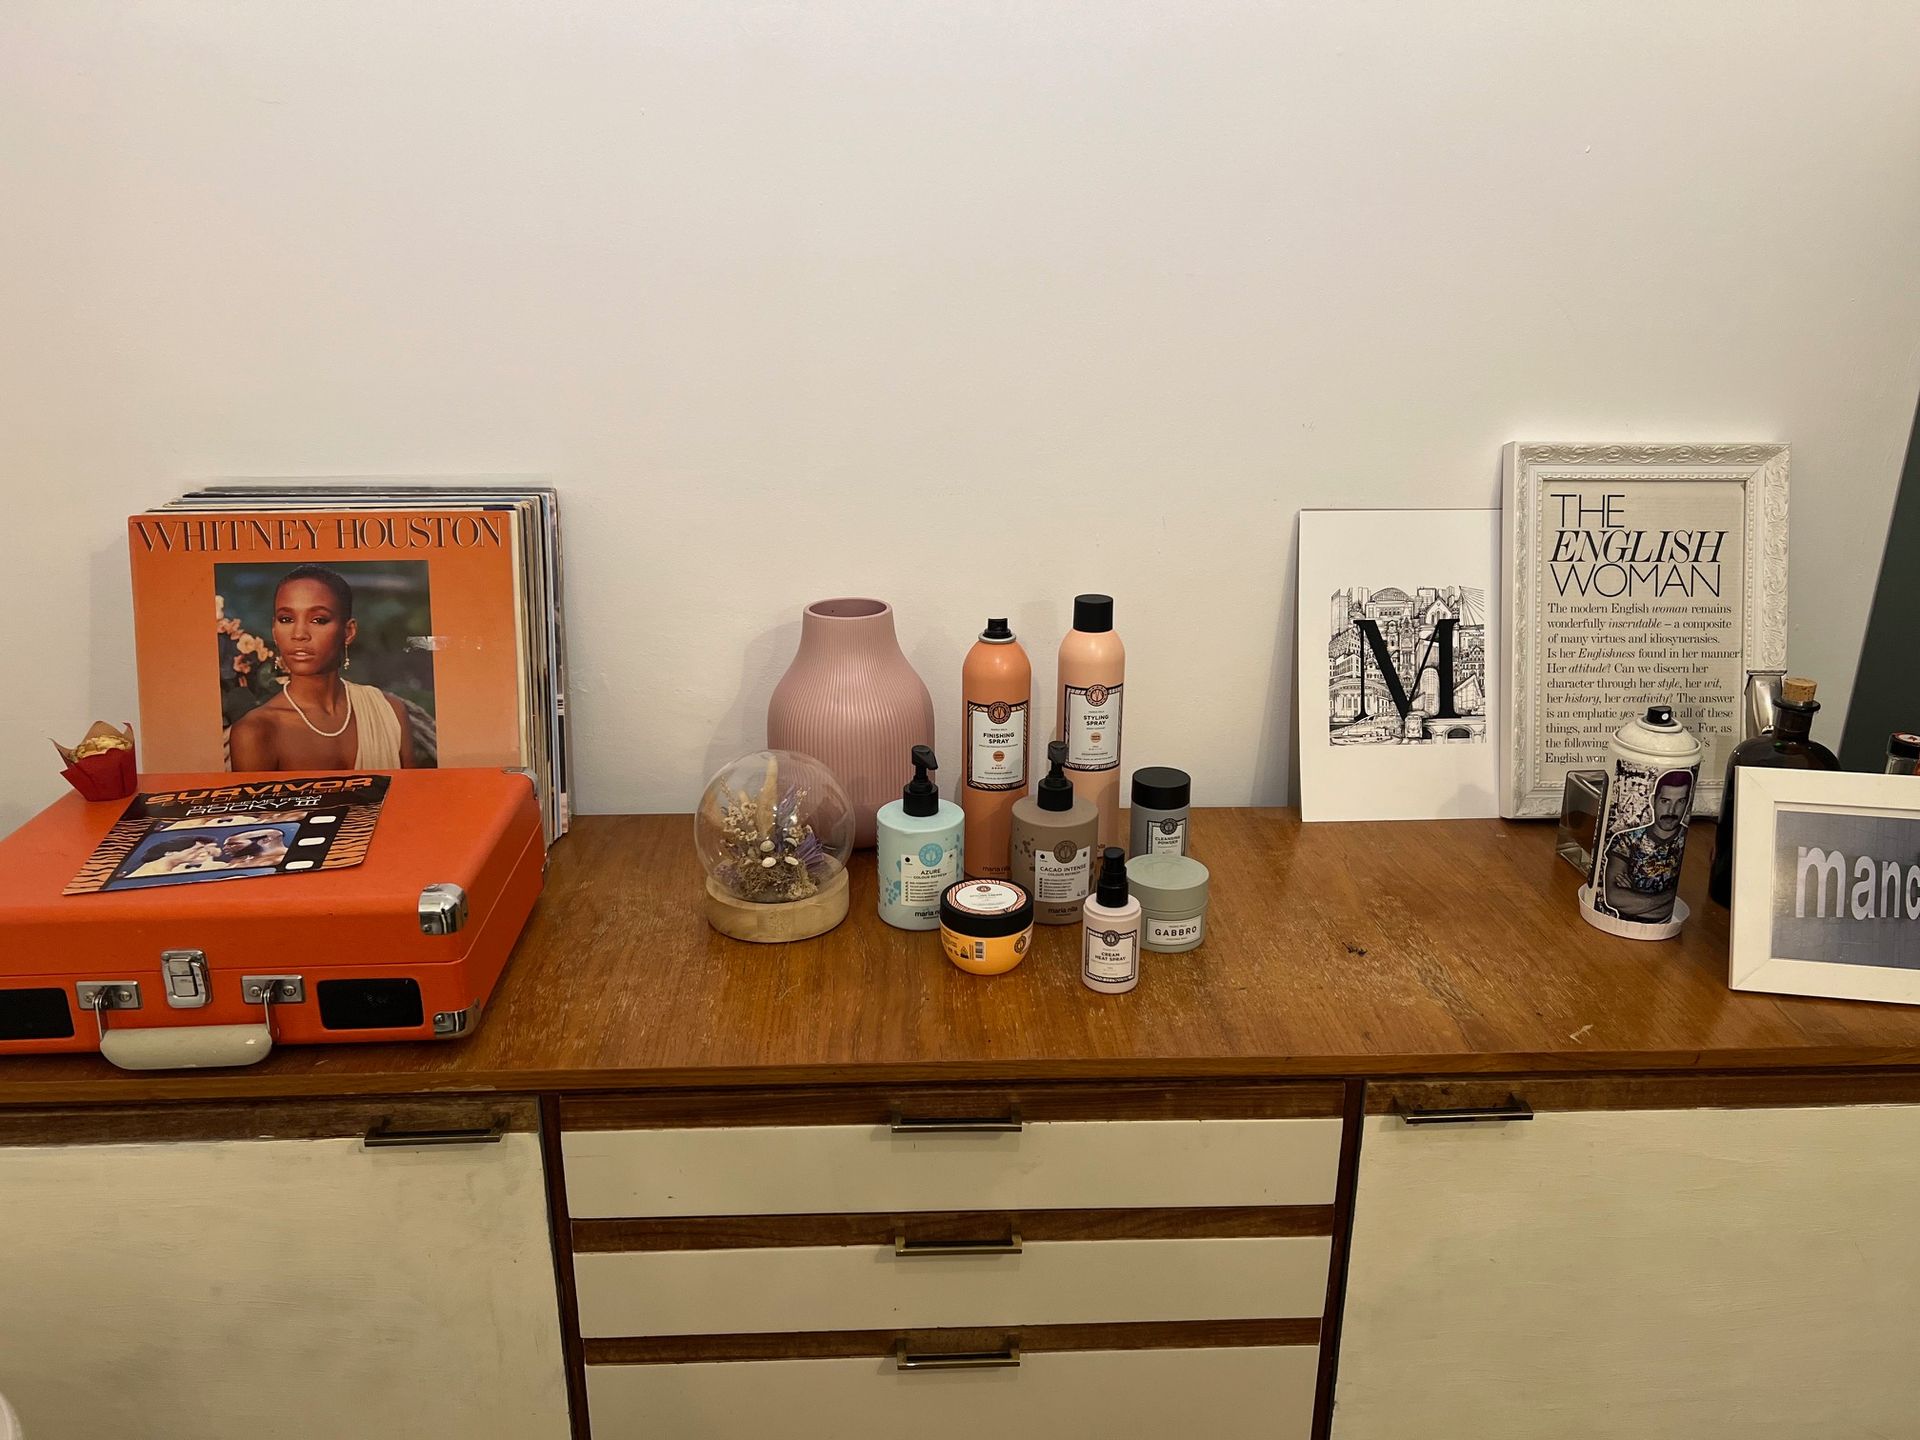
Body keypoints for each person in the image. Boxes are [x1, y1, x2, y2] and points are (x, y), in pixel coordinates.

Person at [227, 565, 416, 771]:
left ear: (348, 632)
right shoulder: (256, 731)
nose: (299, 634)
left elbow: (414, 799)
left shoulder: (390, 712)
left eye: (318, 620)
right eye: (286, 619)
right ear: (274, 631)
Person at [1602, 769, 1695, 922]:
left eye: (1680, 802)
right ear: (1653, 802)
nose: (1671, 811)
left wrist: (1635, 898)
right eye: (1665, 801)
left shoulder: (1687, 840)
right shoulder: (1626, 840)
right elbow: (1613, 897)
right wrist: (1670, 896)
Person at [126, 835, 225, 878]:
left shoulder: (174, 871)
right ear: (169, 852)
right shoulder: (147, 874)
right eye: (197, 849)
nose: (203, 853)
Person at [220, 828, 290, 867]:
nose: (225, 848)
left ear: (265, 840)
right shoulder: (239, 862)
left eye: (232, 844)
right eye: (225, 845)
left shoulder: (280, 860)